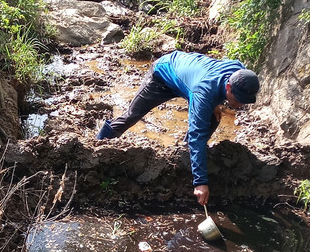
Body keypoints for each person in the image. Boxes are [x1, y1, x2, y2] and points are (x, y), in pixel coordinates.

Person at [96, 51, 260, 206]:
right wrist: (201, 182)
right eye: (238, 100)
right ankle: (99, 144)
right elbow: (198, 136)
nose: (240, 105)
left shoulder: (239, 71)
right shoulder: (203, 93)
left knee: (213, 118)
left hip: (192, 80)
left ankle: (183, 157)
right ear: (229, 88)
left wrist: (215, 103)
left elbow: (214, 84)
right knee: (132, 116)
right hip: (162, 75)